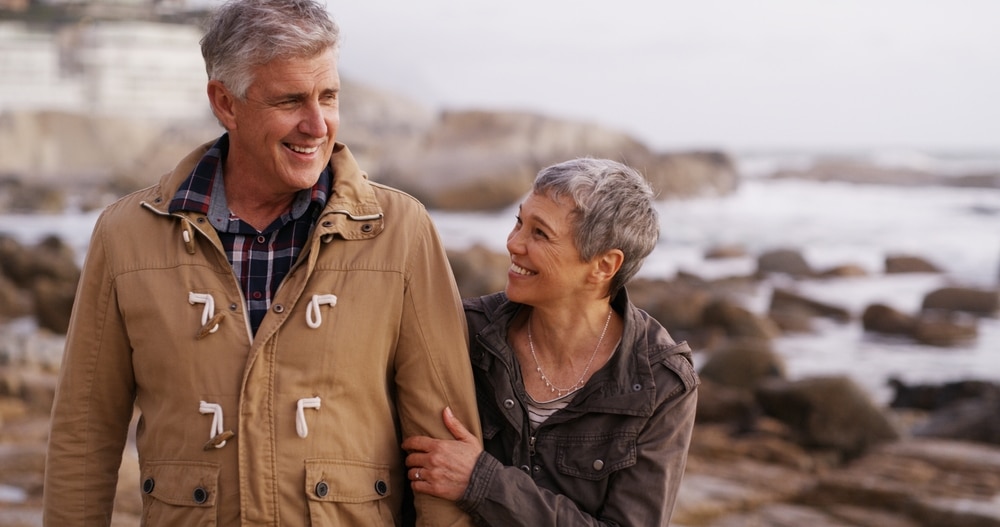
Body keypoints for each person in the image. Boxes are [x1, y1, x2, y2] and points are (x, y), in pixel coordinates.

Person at [42, 0, 480, 524]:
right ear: (225, 104)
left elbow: (443, 444)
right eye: (291, 100)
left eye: (329, 97)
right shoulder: (124, 236)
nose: (318, 125)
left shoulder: (401, 231)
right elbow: (83, 436)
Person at [402, 158, 699, 526]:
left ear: (604, 266)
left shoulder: (662, 384)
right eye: (518, 222)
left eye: (539, 233)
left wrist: (483, 483)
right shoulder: (467, 330)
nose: (513, 243)